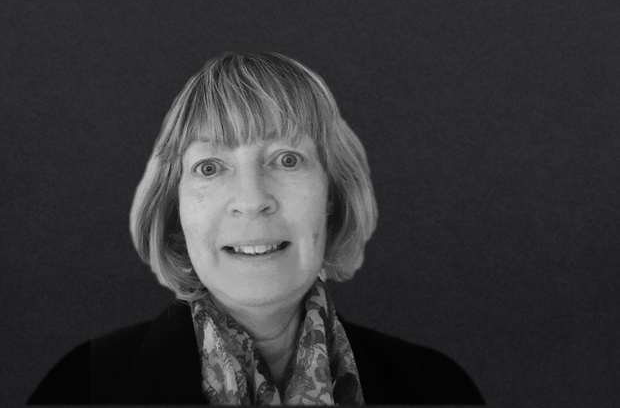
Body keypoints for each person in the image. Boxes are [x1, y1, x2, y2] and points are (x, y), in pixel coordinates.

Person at [29, 52, 484, 405]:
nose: (251, 199)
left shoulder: (437, 386)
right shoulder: (81, 386)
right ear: (175, 210)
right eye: (210, 167)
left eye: (287, 159)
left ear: (332, 196)